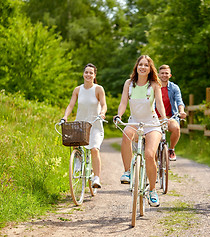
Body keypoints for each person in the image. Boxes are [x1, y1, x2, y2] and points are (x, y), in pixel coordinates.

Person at [113, 55, 167, 207]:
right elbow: (123, 102)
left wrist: (164, 118)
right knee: (126, 135)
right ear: (136, 67)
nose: (143, 67)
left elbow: (160, 104)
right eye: (140, 64)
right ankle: (128, 171)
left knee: (150, 155)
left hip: (152, 123)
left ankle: (153, 190)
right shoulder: (129, 84)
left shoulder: (155, 84)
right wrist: (119, 115)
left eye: (146, 65)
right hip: (134, 121)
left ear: (150, 69)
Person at [62, 63, 107, 188]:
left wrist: (102, 113)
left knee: (94, 149)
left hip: (95, 125)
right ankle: (78, 161)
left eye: (91, 73)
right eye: (86, 72)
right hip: (80, 125)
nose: (88, 75)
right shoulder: (78, 90)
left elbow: (104, 104)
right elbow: (71, 105)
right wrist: (65, 116)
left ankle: (97, 177)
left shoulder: (98, 89)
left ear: (94, 75)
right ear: (83, 74)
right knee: (74, 143)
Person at [155, 64, 186, 161]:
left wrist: (181, 111)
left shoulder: (174, 88)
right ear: (158, 75)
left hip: (170, 117)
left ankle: (171, 149)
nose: (164, 75)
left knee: (176, 128)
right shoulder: (153, 86)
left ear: (170, 75)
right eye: (162, 73)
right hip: (155, 118)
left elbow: (179, 101)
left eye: (166, 73)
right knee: (154, 143)